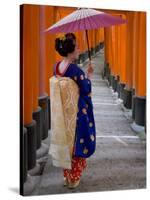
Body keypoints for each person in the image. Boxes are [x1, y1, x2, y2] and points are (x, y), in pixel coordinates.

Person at [54, 33, 96, 189]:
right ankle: (74, 178)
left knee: (66, 144)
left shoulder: (57, 67)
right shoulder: (75, 70)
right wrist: (89, 75)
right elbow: (86, 89)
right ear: (71, 50)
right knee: (78, 143)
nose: (79, 49)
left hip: (63, 113)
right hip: (76, 114)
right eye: (77, 46)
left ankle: (67, 176)